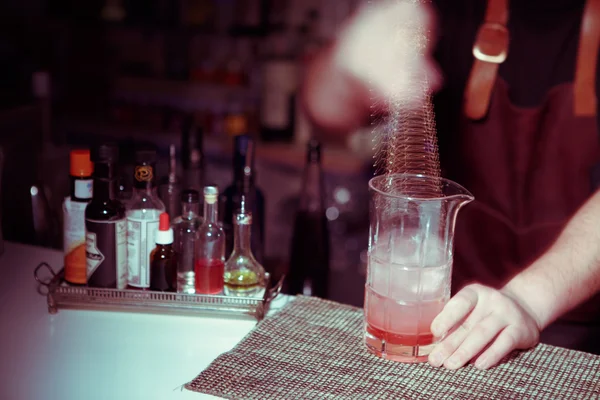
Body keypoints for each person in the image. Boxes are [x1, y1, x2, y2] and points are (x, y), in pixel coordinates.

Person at [302, 0, 600, 369]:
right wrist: (350, 65)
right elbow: (323, 108)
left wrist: (526, 300)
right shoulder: (449, 9)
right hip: (444, 323)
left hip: (581, 339)